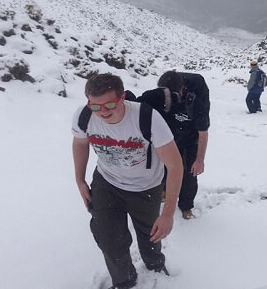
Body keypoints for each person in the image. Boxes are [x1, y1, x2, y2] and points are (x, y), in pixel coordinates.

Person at [71, 73, 183, 289]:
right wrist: (80, 179)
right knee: (107, 236)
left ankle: (154, 264)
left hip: (145, 186)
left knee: (151, 234)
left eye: (109, 104)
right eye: (95, 106)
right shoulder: (84, 116)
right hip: (106, 182)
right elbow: (79, 143)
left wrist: (168, 213)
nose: (102, 112)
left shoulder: (148, 118)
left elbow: (175, 165)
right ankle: (124, 280)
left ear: (122, 98)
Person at [138, 71, 210, 220]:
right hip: (167, 140)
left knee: (189, 175)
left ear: (182, 89)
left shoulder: (195, 103)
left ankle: (186, 206)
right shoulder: (159, 98)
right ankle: (164, 191)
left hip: (190, 141)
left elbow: (203, 133)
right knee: (162, 169)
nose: (168, 96)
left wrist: (199, 160)